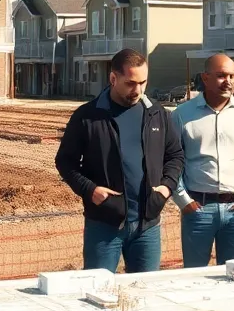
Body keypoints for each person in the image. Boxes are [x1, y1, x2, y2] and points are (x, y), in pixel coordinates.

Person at [55, 48, 183, 274]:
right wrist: (90, 190)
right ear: (113, 79)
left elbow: (175, 155)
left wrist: (166, 188)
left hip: (147, 226)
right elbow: (65, 161)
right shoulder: (88, 116)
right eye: (131, 83)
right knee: (97, 291)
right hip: (104, 227)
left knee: (145, 294)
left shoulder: (158, 114)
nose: (139, 90)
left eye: (143, 82)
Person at [172, 53, 234, 267]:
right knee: (194, 279)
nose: (229, 82)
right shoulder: (182, 114)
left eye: (233, 76)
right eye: (221, 76)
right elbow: (172, 160)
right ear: (205, 78)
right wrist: (183, 200)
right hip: (198, 211)